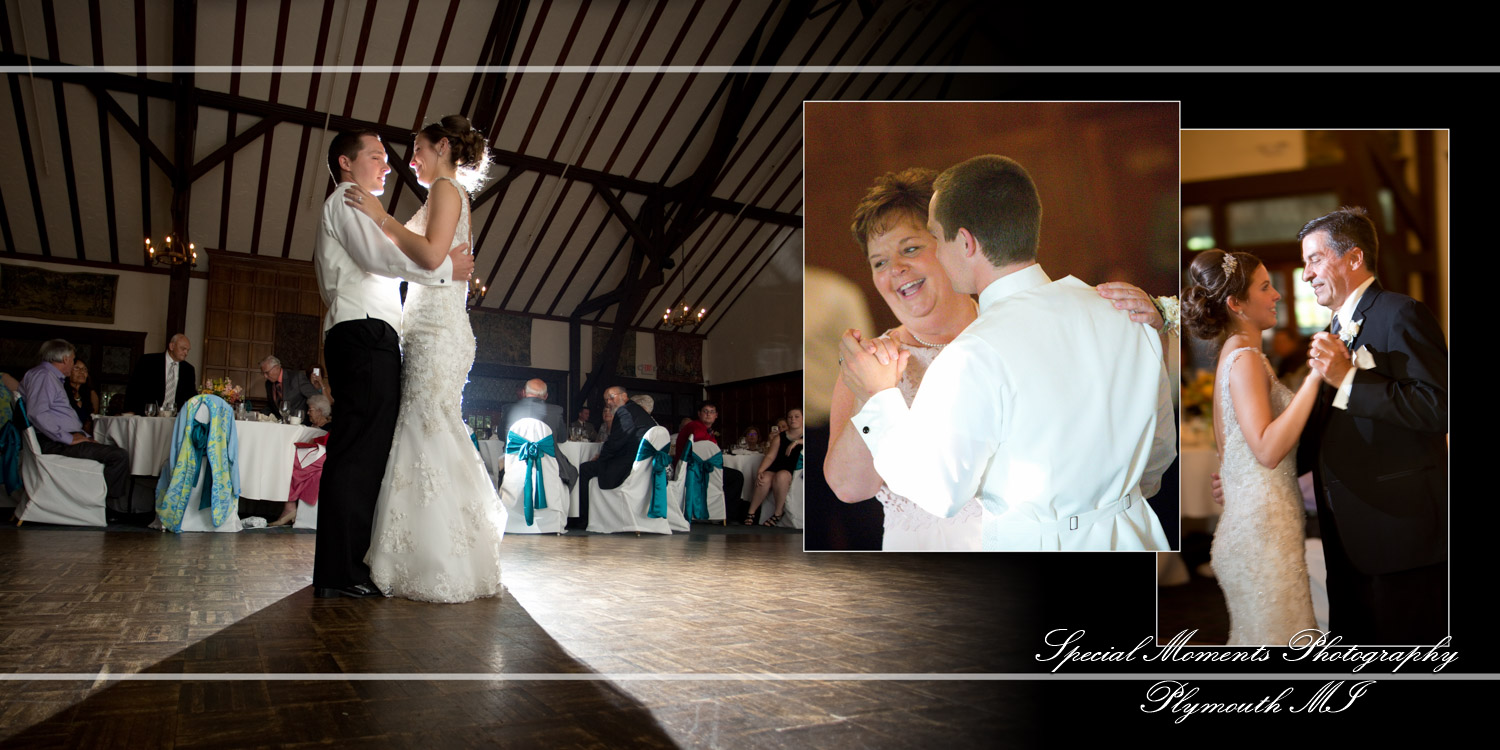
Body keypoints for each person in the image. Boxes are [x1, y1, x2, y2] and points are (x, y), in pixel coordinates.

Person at [840, 155, 1174, 551]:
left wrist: (880, 399)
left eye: (934, 237)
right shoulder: (1129, 314)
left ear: (965, 243)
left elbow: (939, 493)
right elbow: (1159, 452)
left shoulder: (972, 353)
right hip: (1134, 536)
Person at [343, 115, 507, 603]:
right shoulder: (445, 192)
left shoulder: (445, 189)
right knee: (427, 430)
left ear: (441, 146)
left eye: (417, 149)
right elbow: (432, 257)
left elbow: (433, 256)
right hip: (430, 328)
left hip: (436, 333)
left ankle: (438, 559)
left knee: (426, 430)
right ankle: (443, 551)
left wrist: (380, 217)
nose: (409, 159)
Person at [310, 125, 475, 600]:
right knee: (357, 453)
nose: (388, 165)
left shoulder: (358, 204)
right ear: (346, 162)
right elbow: (377, 258)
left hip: (369, 332)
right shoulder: (347, 201)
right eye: (377, 156)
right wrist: (445, 270)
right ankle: (341, 572)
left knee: (366, 453)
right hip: (363, 334)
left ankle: (345, 566)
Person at [1296, 207, 1447, 644]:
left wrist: (1348, 378)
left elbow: (1439, 407)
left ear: (1353, 258)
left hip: (1401, 533)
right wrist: (1258, 477)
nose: (1306, 275)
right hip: (1346, 534)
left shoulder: (1400, 313)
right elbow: (1327, 428)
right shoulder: (1332, 330)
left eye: (1315, 259)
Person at [1183, 249, 1320, 645]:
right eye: (1265, 287)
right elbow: (1265, 449)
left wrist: (1234, 483)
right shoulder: (1243, 360)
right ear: (1235, 304)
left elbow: (1238, 456)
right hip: (1262, 536)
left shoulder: (1243, 357)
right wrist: (1314, 379)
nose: (1277, 294)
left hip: (1265, 525)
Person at [19, 340, 132, 515]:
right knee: (119, 456)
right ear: (65, 359)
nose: (73, 364)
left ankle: (95, 501)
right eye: (72, 360)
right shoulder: (44, 377)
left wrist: (83, 435)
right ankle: (106, 507)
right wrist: (69, 437)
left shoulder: (45, 376)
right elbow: (37, 413)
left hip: (58, 439)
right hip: (54, 443)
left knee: (110, 450)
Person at [573, 385, 656, 530]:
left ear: (624, 396)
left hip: (625, 466)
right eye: (606, 400)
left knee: (584, 468)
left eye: (612, 397)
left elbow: (616, 442)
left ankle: (583, 519)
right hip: (644, 466)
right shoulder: (638, 411)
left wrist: (600, 458)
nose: (609, 402)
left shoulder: (624, 411)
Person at [673, 401, 745, 520]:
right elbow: (703, 444)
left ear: (716, 415)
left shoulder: (707, 430)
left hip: (698, 468)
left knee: (732, 476)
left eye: (712, 412)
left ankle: (723, 511)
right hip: (692, 470)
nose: (708, 414)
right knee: (737, 477)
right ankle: (729, 514)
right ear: (699, 414)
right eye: (705, 411)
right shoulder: (694, 426)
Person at [502, 378, 577, 487]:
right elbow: (562, 438)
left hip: (514, 465)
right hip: (549, 469)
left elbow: (501, 436)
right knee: (573, 473)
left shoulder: (509, 409)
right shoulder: (556, 411)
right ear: (546, 396)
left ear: (523, 393)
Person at [747, 408, 804, 526]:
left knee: (781, 476)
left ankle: (778, 512)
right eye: (790, 417)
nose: (793, 419)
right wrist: (760, 470)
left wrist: (797, 442)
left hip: (793, 469)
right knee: (765, 478)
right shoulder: (780, 437)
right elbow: (770, 456)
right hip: (778, 466)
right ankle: (751, 512)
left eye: (797, 416)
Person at [123, 333, 196, 415]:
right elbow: (133, 388)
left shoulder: (188, 370)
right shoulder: (148, 361)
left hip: (174, 420)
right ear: (172, 346)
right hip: (147, 416)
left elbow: (191, 396)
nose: (186, 353)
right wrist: (129, 411)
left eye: (188, 350)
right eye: (183, 349)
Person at [66, 359, 100, 435]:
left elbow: (93, 421)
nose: (82, 372)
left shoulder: (91, 394)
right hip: (66, 436)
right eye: (76, 368)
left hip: (85, 437)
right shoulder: (62, 392)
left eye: (85, 369)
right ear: (68, 371)